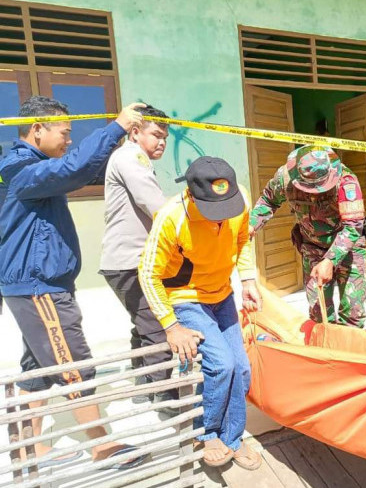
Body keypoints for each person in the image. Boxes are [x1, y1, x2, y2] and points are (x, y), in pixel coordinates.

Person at [0, 96, 147, 467]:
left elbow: (83, 169)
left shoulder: (35, 168)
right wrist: (115, 126)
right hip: (39, 287)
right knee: (74, 366)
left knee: (38, 370)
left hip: (35, 285)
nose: (69, 139)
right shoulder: (20, 169)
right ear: (37, 130)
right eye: (65, 132)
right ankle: (103, 447)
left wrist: (128, 145)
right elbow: (72, 169)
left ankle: (28, 448)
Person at [138, 156, 262, 469]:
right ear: (191, 195)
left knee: (241, 368)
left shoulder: (240, 198)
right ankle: (205, 433)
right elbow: (147, 273)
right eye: (212, 211)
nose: (219, 219)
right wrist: (171, 326)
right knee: (221, 364)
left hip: (222, 293)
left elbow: (243, 240)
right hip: (185, 296)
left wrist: (248, 279)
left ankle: (232, 437)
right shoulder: (171, 216)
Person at [99, 105, 174, 411]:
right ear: (134, 132)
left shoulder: (131, 158)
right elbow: (156, 207)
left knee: (143, 325)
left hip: (123, 261)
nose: (162, 143)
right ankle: (166, 402)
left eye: (166, 137)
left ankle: (143, 390)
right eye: (156, 134)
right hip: (131, 262)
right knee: (159, 329)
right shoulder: (131, 157)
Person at [249, 145, 366, 327]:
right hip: (312, 247)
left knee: (352, 312)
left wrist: (330, 260)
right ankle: (323, 351)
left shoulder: (346, 180)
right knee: (318, 312)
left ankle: (348, 352)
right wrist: (251, 224)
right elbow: (268, 200)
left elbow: (353, 226)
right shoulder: (285, 178)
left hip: (348, 248)